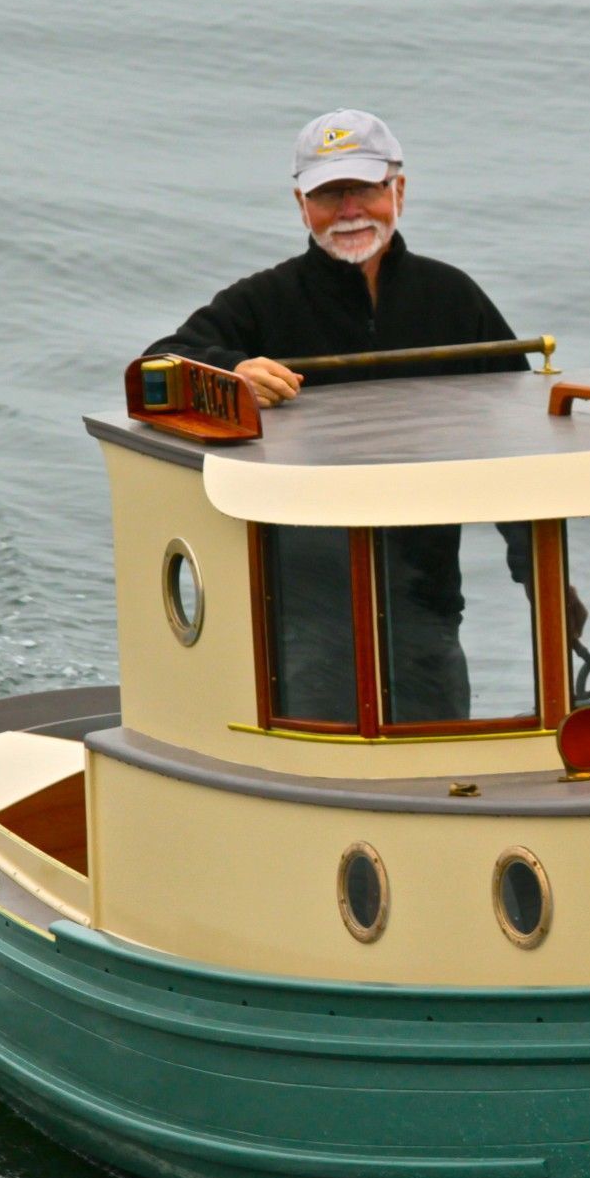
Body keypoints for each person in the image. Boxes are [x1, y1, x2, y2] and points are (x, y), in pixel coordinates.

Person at [146, 109, 541, 725]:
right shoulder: (264, 300)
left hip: (428, 606)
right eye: (329, 195)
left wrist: (538, 576)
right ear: (301, 205)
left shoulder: (453, 298)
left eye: (364, 189)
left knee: (440, 764)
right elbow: (157, 367)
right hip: (299, 614)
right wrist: (232, 369)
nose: (349, 210)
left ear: (398, 190)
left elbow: (519, 441)